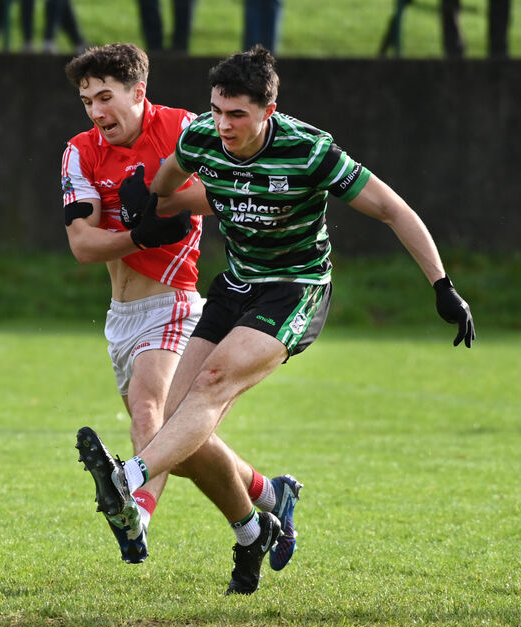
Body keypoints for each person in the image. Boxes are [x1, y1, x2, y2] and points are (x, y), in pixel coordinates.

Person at [76, 46, 475, 595]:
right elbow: (166, 181)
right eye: (217, 110)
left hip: (295, 289)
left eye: (237, 114)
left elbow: (390, 208)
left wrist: (442, 284)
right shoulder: (201, 136)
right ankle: (260, 521)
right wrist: (152, 207)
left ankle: (130, 481)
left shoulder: (309, 150)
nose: (224, 125)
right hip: (236, 285)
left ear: (269, 109)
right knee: (175, 421)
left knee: (211, 385)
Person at [63, 43, 303, 570]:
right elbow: (83, 245)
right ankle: (265, 503)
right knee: (182, 444)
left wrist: (162, 204)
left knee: (153, 412)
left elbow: (226, 187)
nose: (97, 112)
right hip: (121, 316)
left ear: (138, 92)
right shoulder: (80, 151)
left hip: (175, 303)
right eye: (87, 101)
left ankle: (135, 511)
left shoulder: (183, 128)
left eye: (106, 97)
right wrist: (140, 232)